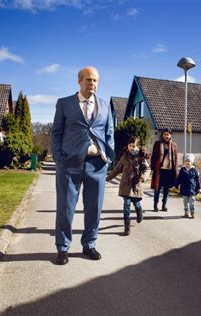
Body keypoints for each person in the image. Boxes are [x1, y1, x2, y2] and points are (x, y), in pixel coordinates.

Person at [51, 66, 115, 265]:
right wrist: (59, 157)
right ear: (79, 81)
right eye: (88, 80)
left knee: (94, 208)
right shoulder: (64, 104)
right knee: (65, 208)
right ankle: (63, 248)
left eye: (95, 80)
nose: (92, 84)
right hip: (69, 164)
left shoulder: (105, 106)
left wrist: (108, 158)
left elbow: (110, 133)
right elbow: (56, 133)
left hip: (97, 166)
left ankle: (89, 245)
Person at [106, 136, 150, 235]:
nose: (131, 148)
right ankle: (127, 227)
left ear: (138, 147)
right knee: (126, 205)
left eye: (134, 146)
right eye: (130, 146)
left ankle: (139, 211)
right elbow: (117, 169)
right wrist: (107, 178)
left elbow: (147, 169)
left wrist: (143, 177)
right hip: (126, 185)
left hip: (136, 185)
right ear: (127, 146)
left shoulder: (141, 157)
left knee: (136, 204)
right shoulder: (124, 157)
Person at [150, 128, 178, 212]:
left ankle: (164, 205)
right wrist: (152, 167)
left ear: (170, 135)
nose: (166, 136)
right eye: (165, 134)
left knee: (166, 189)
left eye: (168, 134)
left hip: (169, 171)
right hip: (159, 170)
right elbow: (154, 156)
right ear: (163, 135)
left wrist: (176, 171)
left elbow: (176, 159)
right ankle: (155, 204)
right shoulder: (158, 144)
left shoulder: (174, 145)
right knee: (157, 188)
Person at [176, 154, 201, 219]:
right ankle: (186, 212)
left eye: (189, 161)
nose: (187, 163)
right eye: (186, 161)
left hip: (192, 189)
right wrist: (177, 184)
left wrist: (199, 187)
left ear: (192, 162)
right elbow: (179, 178)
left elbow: (197, 179)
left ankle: (192, 213)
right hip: (184, 189)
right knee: (185, 202)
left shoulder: (194, 170)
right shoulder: (182, 170)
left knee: (192, 202)